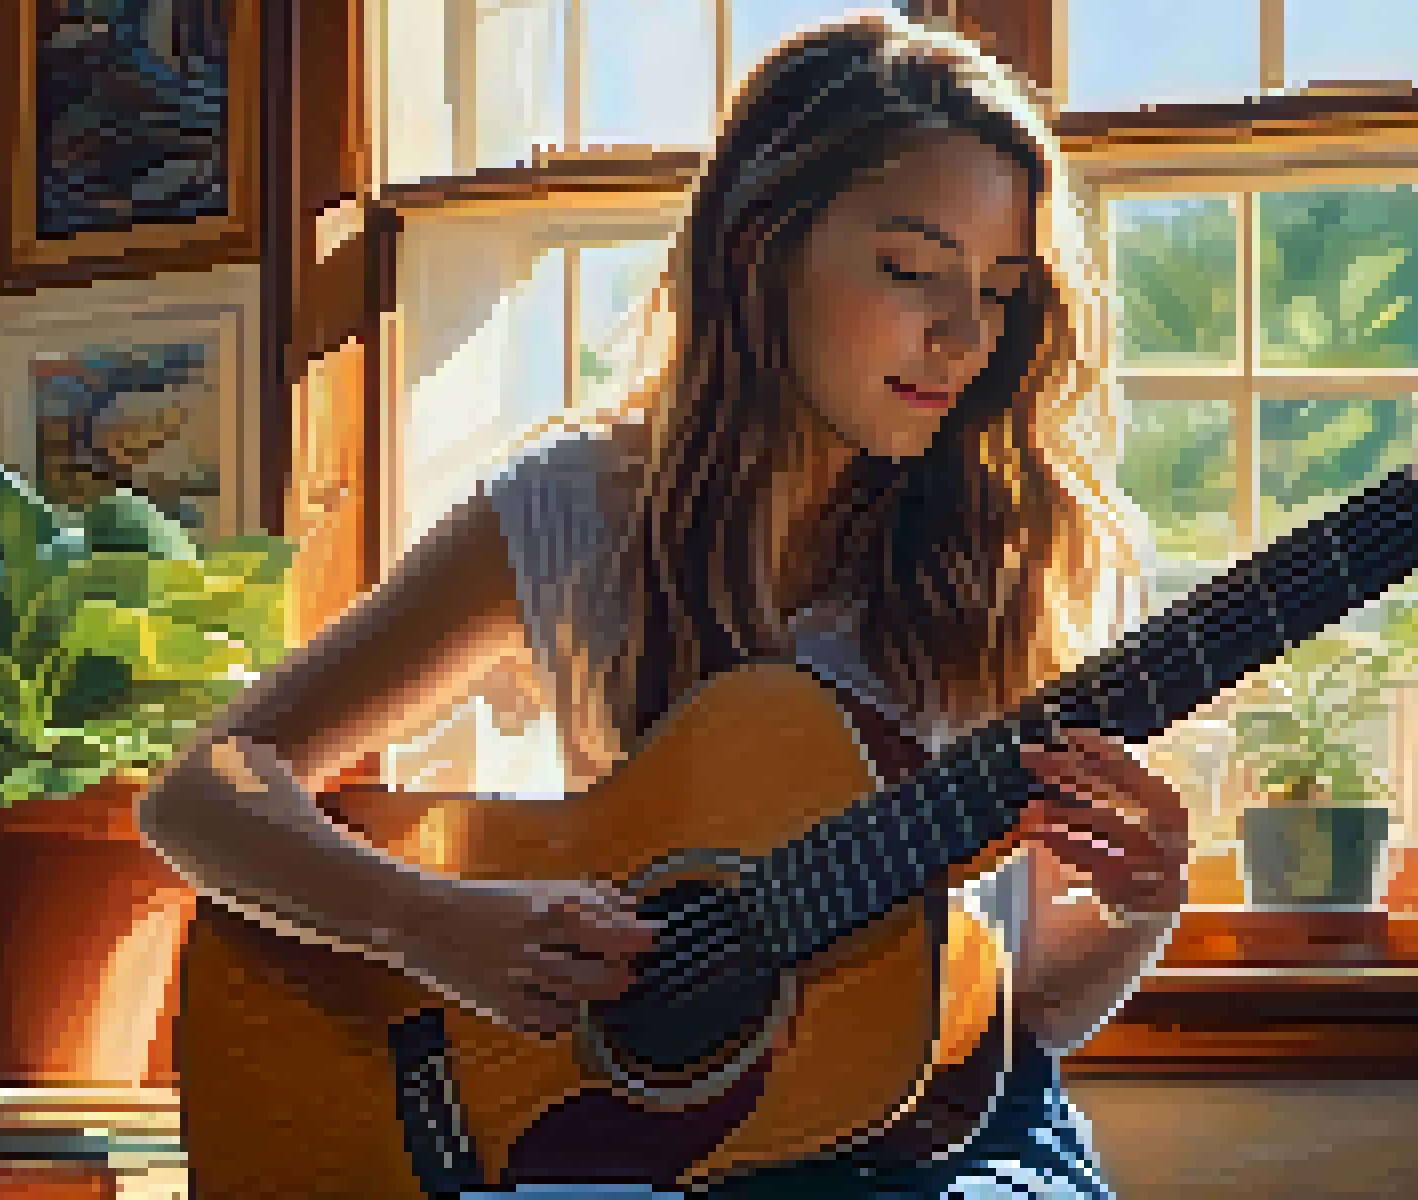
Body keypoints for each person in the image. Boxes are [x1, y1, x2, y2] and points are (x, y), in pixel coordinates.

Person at [137, 13, 1188, 1198]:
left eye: (999, 291)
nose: (961, 337)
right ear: (760, 247)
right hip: (658, 1156)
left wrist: (1139, 914)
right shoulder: (577, 511)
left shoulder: (1031, 562)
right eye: (907, 269)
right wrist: (425, 921)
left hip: (952, 1153)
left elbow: (1017, 1027)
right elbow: (203, 791)